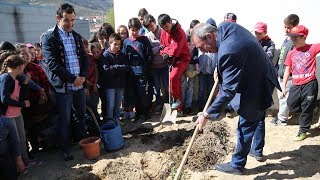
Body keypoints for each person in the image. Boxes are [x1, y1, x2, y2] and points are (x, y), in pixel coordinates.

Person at [192, 22, 280, 174]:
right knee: (257, 117)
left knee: (246, 121)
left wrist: (207, 114)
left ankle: (237, 164)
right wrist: (219, 71)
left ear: (209, 36)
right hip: (260, 74)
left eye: (201, 47)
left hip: (256, 85)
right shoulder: (225, 28)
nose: (203, 52)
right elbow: (228, 59)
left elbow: (228, 91)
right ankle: (257, 151)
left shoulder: (229, 50)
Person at [41, 3, 89, 161]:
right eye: (67, 20)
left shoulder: (75, 36)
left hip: (79, 84)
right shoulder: (49, 38)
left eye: (73, 20)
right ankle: (66, 149)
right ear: (58, 18)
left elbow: (84, 58)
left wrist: (82, 76)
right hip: (63, 87)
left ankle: (83, 144)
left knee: (81, 116)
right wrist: (72, 79)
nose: (70, 23)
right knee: (65, 119)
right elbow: (53, 64)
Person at [0, 55, 41, 168]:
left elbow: (21, 96)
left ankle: (26, 161)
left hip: (17, 114)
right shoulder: (5, 78)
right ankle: (18, 165)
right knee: (15, 141)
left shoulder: (16, 78)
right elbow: (4, 99)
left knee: (22, 139)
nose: (23, 70)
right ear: (18, 67)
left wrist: (26, 83)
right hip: (8, 116)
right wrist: (22, 104)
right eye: (23, 67)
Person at [281, 25, 320, 141]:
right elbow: (287, 70)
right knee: (291, 104)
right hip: (296, 84)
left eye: (296, 38)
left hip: (310, 83)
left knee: (306, 108)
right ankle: (315, 104)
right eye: (292, 38)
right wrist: (283, 86)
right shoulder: (291, 53)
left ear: (304, 37)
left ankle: (303, 131)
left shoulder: (312, 48)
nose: (293, 41)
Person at [122, 17, 153, 121]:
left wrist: (145, 69)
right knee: (133, 94)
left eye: (136, 30)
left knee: (143, 94)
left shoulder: (144, 40)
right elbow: (124, 57)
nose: (134, 32)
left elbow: (149, 56)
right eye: (132, 30)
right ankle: (138, 114)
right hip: (131, 74)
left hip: (142, 74)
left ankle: (145, 113)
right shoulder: (126, 42)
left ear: (139, 29)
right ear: (129, 29)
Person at [158, 14, 190, 114]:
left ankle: (177, 101)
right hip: (171, 59)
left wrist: (167, 52)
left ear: (171, 22)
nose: (165, 29)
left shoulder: (180, 32)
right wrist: (165, 52)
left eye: (166, 26)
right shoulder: (164, 31)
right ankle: (177, 107)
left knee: (173, 77)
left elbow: (176, 51)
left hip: (182, 58)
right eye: (163, 28)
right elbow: (161, 46)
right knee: (172, 81)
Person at [271, 14, 299, 126]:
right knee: (280, 96)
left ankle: (282, 119)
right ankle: (281, 116)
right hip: (281, 73)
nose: (287, 29)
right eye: (285, 27)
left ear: (295, 26)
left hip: (289, 75)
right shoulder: (286, 40)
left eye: (289, 27)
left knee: (284, 97)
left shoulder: (295, 42)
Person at [143, 14, 169, 114]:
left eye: (151, 26)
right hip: (154, 66)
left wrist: (161, 48)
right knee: (156, 88)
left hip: (164, 65)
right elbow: (149, 51)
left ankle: (168, 104)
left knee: (167, 87)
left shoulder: (163, 32)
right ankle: (159, 104)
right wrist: (159, 48)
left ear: (155, 22)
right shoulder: (148, 36)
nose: (151, 28)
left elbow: (167, 46)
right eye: (148, 28)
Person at [101, 33, 130, 122]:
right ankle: (110, 123)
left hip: (120, 84)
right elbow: (106, 70)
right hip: (110, 85)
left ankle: (116, 122)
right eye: (115, 44)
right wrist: (119, 68)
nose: (117, 46)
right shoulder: (106, 55)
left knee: (117, 105)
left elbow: (127, 67)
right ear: (110, 43)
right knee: (110, 106)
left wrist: (115, 67)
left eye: (119, 44)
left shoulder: (122, 55)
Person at [182, 19, 201, 115]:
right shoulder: (184, 37)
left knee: (191, 86)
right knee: (183, 86)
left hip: (191, 65)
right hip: (182, 64)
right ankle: (181, 106)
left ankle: (188, 106)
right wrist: (183, 66)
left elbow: (196, 52)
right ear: (190, 29)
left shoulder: (197, 37)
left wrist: (196, 63)